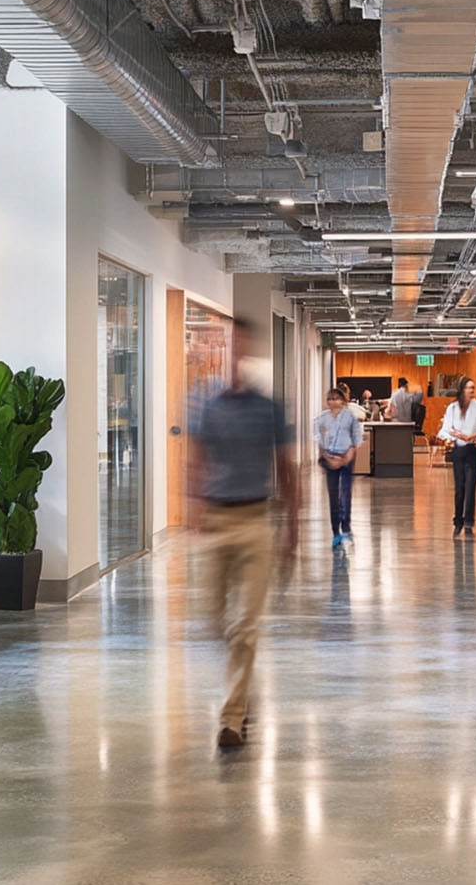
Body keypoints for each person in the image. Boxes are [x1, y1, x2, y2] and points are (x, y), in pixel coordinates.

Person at [188, 317, 298, 750]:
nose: (236, 353)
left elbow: (286, 468)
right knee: (213, 620)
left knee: (244, 626)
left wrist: (292, 532)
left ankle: (232, 717)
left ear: (249, 352)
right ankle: (243, 688)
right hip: (217, 522)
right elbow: (195, 460)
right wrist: (194, 509)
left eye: (242, 346)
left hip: (256, 520)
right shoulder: (205, 404)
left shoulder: (269, 408)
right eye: (230, 345)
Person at [438, 376, 476, 537]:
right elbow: (444, 430)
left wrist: (475, 436)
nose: (472, 391)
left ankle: (468, 522)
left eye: (473, 388)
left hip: (472, 450)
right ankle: (458, 521)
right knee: (459, 488)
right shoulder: (453, 408)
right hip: (458, 451)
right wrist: (454, 436)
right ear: (462, 390)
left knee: (470, 487)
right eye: (469, 388)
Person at [315, 388, 363, 548]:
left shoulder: (350, 417)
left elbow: (356, 438)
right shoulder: (323, 418)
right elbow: (318, 438)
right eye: (330, 399)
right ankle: (335, 531)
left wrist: (346, 458)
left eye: (336, 398)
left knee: (345, 492)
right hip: (330, 457)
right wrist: (327, 456)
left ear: (342, 400)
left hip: (346, 457)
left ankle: (346, 527)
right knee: (333, 494)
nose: (333, 402)